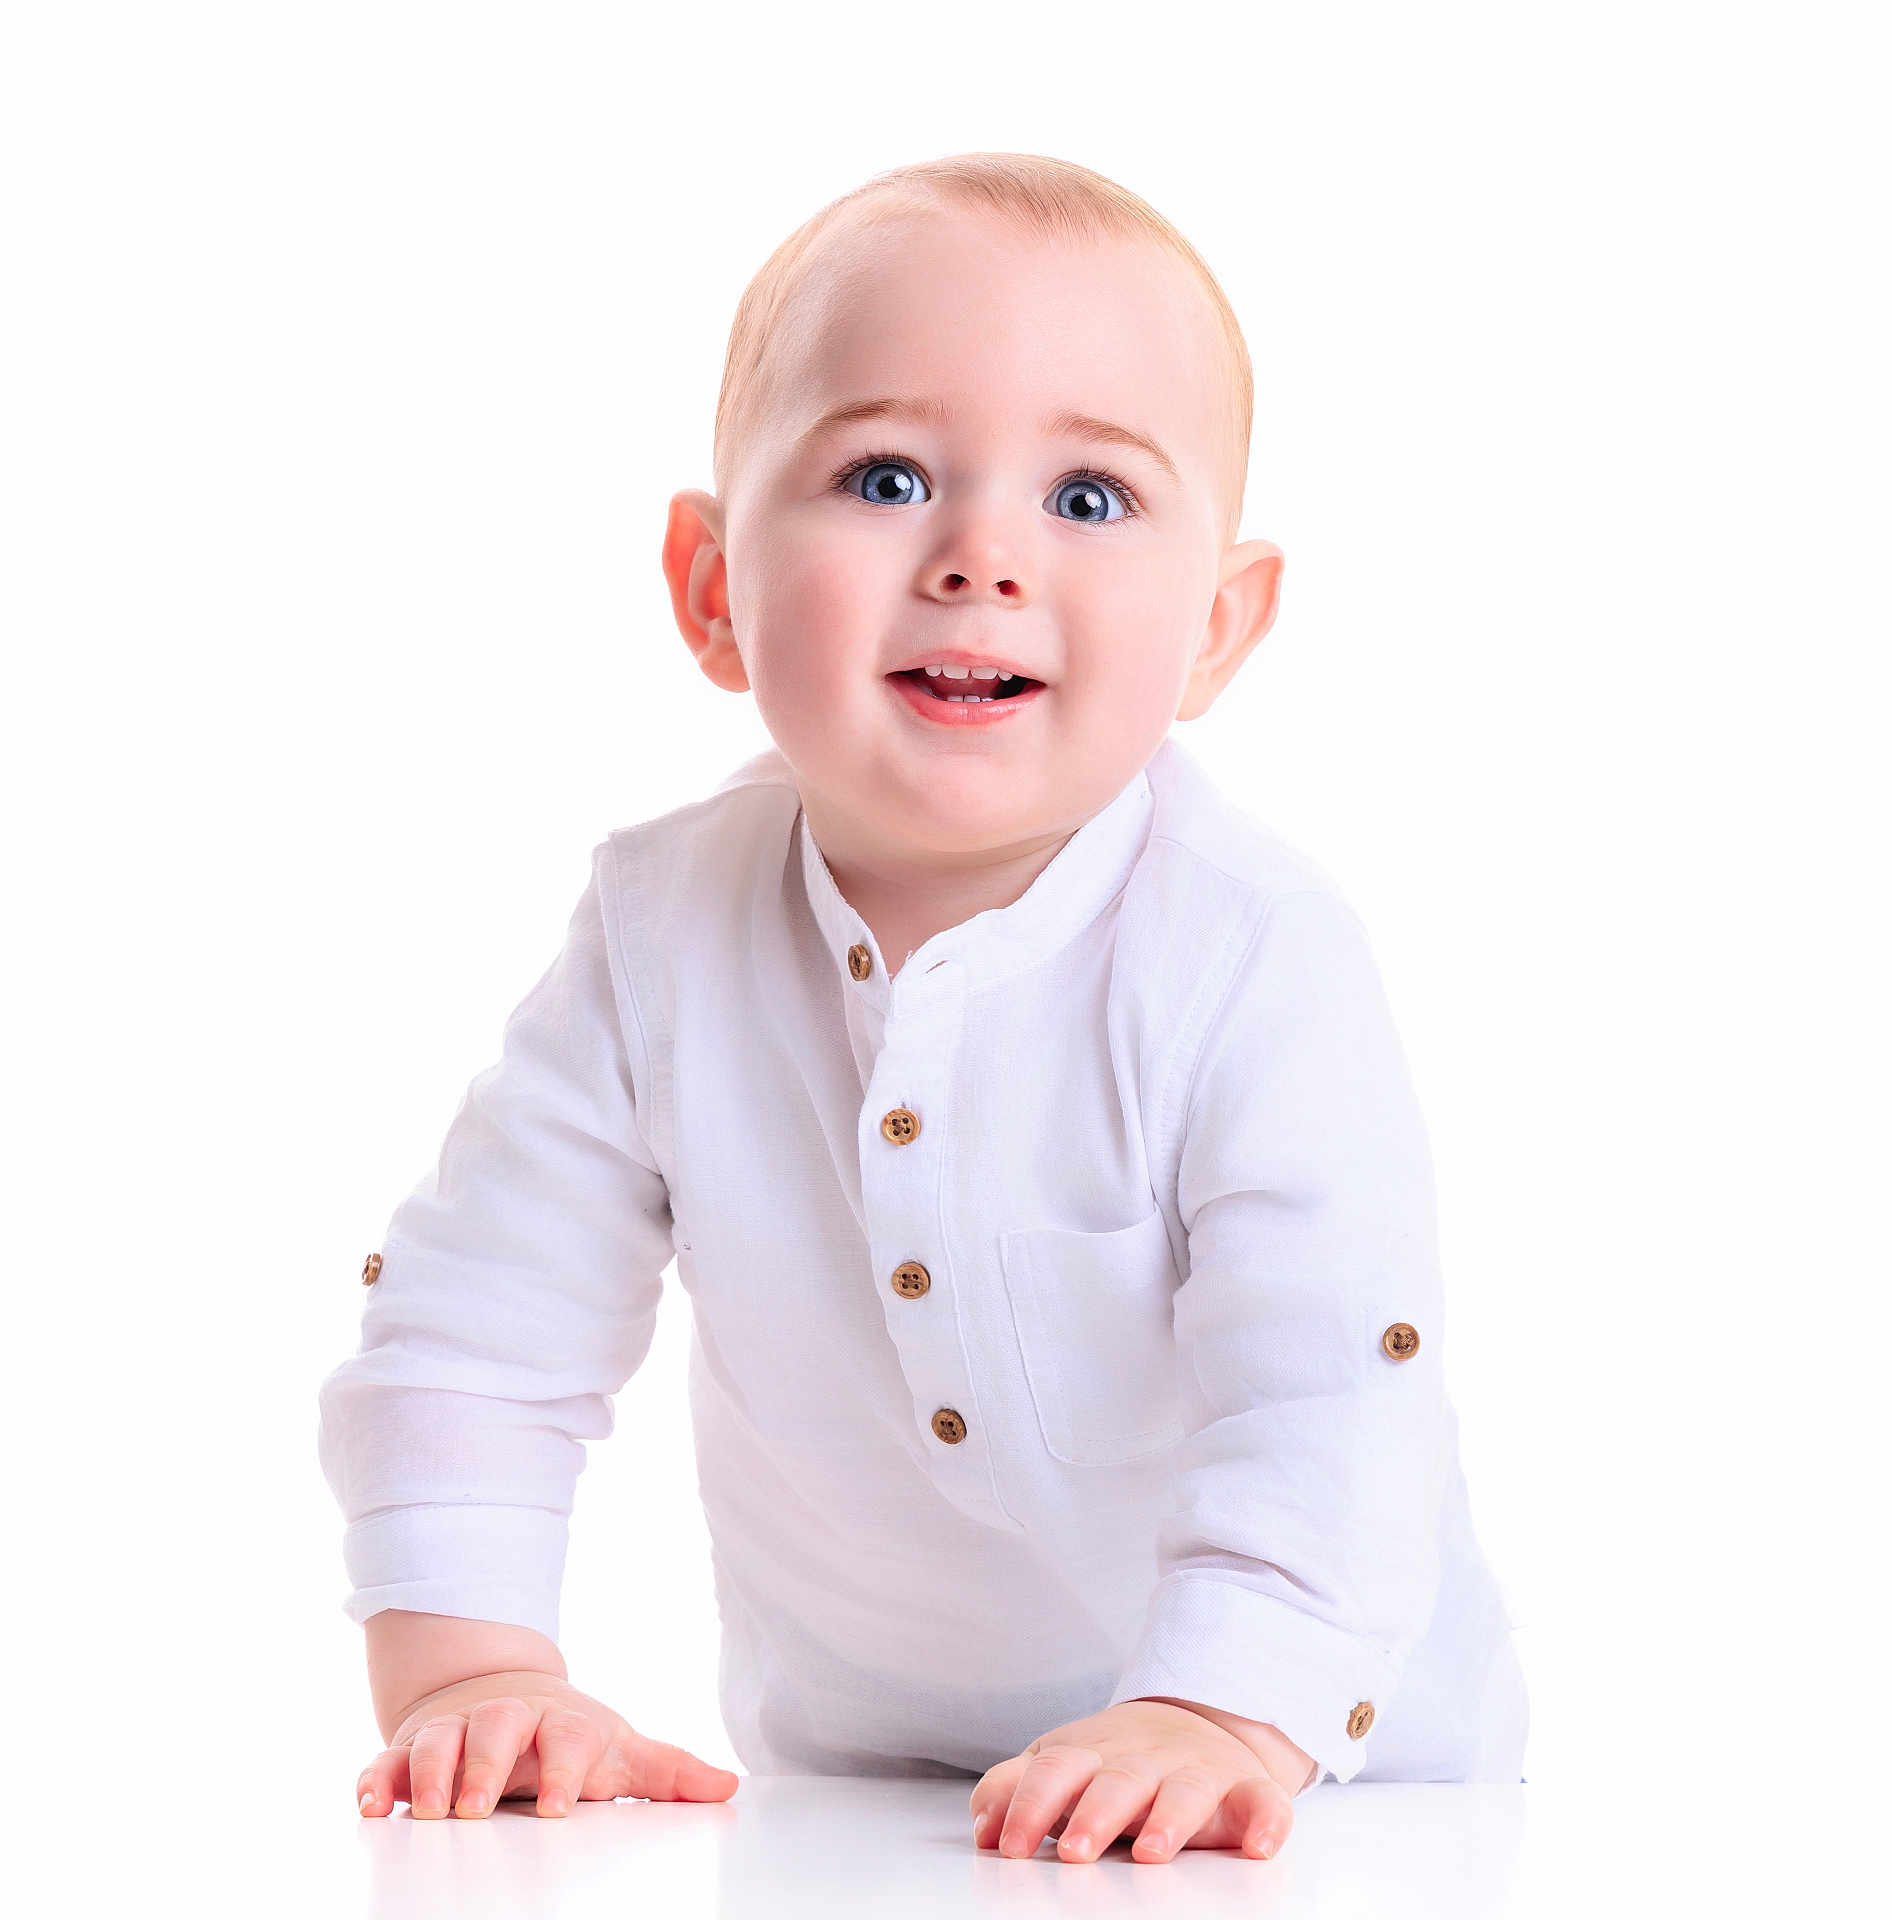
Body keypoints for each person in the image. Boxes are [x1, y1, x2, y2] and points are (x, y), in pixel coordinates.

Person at [319, 150, 1528, 1867]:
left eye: (1090, 499)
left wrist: (1218, 1711)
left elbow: (1330, 1386)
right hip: (870, 1803)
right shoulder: (661, 933)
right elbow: (477, 1323)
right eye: (884, 475)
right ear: (712, 586)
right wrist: (469, 1670)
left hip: (1321, 1792)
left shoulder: (1251, 955)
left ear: (1219, 628)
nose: (979, 556)